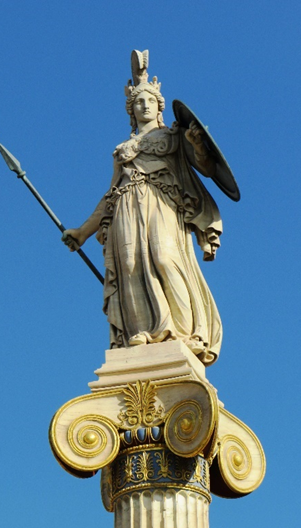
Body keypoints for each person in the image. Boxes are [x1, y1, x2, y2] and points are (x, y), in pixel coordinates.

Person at [63, 50, 223, 366]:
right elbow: (110, 194)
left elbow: (206, 168)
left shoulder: (173, 136)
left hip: (161, 202)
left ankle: (183, 331)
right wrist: (82, 232)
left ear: (159, 106)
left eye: (150, 100)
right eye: (138, 102)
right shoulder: (123, 150)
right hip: (126, 206)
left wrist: (198, 146)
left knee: (165, 257)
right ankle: (141, 331)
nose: (145, 105)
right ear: (131, 110)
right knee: (129, 263)